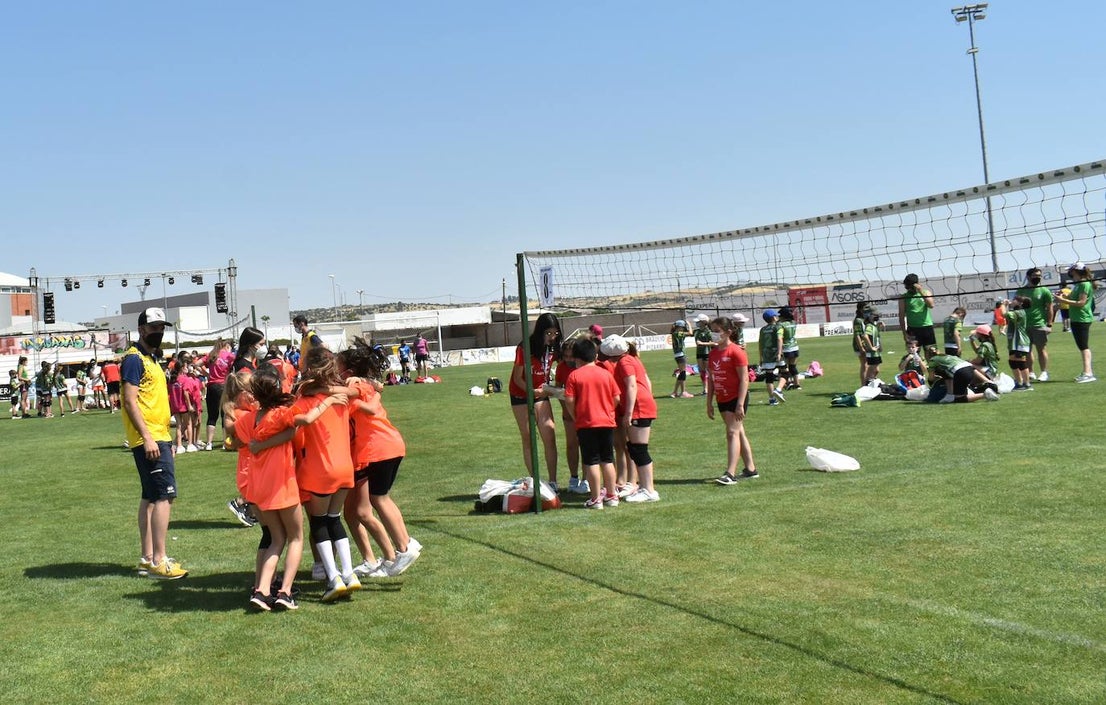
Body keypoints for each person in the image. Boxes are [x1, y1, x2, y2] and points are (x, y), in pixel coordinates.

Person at [337, 342, 422, 578]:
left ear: (349, 370)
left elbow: (354, 393)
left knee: (378, 498)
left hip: (379, 447)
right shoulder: (362, 384)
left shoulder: (356, 386)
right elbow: (375, 389)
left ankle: (403, 548)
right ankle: (405, 544)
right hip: (388, 445)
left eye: (338, 367)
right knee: (378, 499)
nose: (335, 371)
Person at [122, 308, 187, 580]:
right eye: (153, 327)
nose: (158, 332)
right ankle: (160, 560)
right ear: (141, 329)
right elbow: (129, 399)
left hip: (159, 436)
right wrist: (148, 437)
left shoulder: (150, 359)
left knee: (150, 497)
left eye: (162, 327)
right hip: (150, 439)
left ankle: (148, 558)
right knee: (164, 496)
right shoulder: (134, 359)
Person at [292, 347, 360, 602]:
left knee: (319, 523)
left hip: (320, 468)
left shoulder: (306, 398)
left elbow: (295, 430)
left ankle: (333, 578)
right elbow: (360, 393)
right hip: (345, 467)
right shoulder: (342, 398)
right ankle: (349, 573)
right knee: (335, 519)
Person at [563, 337, 621, 510]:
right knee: (608, 459)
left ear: (576, 358)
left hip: (587, 423)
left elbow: (569, 400)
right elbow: (616, 397)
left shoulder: (574, 375)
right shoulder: (605, 374)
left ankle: (596, 498)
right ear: (595, 355)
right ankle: (611, 495)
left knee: (591, 461)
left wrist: (576, 415)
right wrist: (607, 409)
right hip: (606, 422)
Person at [600, 335, 660, 503]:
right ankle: (644, 487)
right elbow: (647, 382)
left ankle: (649, 489)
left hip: (639, 408)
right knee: (634, 448)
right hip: (642, 405)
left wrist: (628, 413)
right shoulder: (632, 359)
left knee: (639, 449)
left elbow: (631, 385)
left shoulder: (625, 362)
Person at [508, 312, 561, 489]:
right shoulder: (525, 347)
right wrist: (532, 392)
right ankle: (535, 482)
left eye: (555, 333)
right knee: (529, 437)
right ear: (540, 332)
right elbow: (517, 378)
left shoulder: (555, 347)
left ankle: (553, 482)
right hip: (521, 393)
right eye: (548, 333)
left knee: (549, 433)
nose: (552, 337)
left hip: (541, 392)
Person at [707, 316, 758, 484]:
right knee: (738, 432)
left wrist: (740, 404)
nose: (713, 335)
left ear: (728, 332)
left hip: (736, 398)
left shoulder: (736, 351)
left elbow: (744, 379)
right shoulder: (713, 353)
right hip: (721, 397)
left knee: (732, 433)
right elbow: (712, 379)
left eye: (717, 331)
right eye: (712, 331)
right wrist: (709, 402)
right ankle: (750, 469)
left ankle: (730, 473)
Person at [1052, 262, 1097, 382]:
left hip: (1082, 318)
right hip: (1076, 318)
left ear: (1075, 271)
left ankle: (1088, 373)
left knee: (1084, 346)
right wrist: (1061, 296)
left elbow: (1081, 303)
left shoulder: (1084, 284)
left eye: (1071, 271)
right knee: (1081, 346)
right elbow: (1072, 298)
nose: (1070, 273)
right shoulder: (1078, 285)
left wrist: (1062, 300)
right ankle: (1086, 372)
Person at [552, 339, 586, 494]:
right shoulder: (561, 368)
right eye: (565, 356)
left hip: (586, 414)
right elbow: (558, 390)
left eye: (571, 356)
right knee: (572, 445)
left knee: (586, 446)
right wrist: (566, 410)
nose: (568, 359)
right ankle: (574, 478)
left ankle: (586, 480)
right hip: (569, 415)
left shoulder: (585, 366)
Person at [1015, 267, 1054, 382]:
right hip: (1024, 325)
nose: (1037, 278)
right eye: (1035, 276)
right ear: (1028, 277)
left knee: (1041, 349)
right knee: (1027, 350)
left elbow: (1050, 308)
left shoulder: (1044, 290)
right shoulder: (1021, 291)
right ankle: (1031, 372)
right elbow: (1016, 306)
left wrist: (1049, 324)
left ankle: (1044, 372)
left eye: (1039, 276)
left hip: (1039, 324)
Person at [925, 346, 1000, 403]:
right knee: (944, 371)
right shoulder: (947, 356)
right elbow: (970, 366)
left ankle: (985, 395)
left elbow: (931, 378)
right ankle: (949, 394)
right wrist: (987, 380)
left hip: (961, 372)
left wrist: (935, 379)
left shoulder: (933, 360)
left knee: (959, 398)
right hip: (969, 368)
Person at [203, 339, 234, 450]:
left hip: (211, 386)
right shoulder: (229, 356)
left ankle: (209, 444)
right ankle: (225, 442)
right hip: (222, 386)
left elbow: (197, 364)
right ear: (227, 346)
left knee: (211, 416)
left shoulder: (212, 354)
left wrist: (207, 374)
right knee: (224, 414)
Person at [1001, 296, 1033, 391]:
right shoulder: (1016, 312)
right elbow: (1007, 315)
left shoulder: (1019, 313)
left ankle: (1027, 384)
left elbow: (1004, 314)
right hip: (1014, 342)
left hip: (1020, 341)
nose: (1012, 301)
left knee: (1021, 362)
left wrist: (1003, 304)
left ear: (1020, 303)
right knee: (1013, 362)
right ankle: (1019, 383)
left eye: (1014, 300)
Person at [898, 274, 936, 349]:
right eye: (907, 287)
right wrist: (904, 333)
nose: (909, 289)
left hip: (927, 327)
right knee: (913, 354)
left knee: (931, 353)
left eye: (911, 286)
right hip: (913, 329)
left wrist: (921, 291)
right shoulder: (904, 297)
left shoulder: (926, 292)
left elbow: (931, 305)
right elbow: (901, 316)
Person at [759, 309, 786, 405]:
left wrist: (761, 357)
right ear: (773, 317)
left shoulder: (762, 329)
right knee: (785, 373)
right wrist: (779, 353)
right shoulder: (778, 327)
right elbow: (779, 339)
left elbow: (760, 344)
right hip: (776, 353)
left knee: (769, 377)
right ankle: (778, 389)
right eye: (776, 315)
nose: (777, 317)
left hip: (766, 354)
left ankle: (772, 399)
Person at [669, 320, 694, 398]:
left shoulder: (675, 333)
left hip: (678, 355)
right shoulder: (677, 333)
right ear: (680, 327)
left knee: (681, 373)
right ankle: (683, 392)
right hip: (680, 355)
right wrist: (689, 324)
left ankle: (675, 392)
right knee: (683, 373)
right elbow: (690, 333)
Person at [777, 306, 801, 391]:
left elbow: (780, 337)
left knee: (784, 368)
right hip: (794, 347)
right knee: (793, 367)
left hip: (786, 348)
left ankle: (787, 383)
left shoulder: (781, 325)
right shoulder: (793, 322)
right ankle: (797, 384)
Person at [692, 314, 714, 394]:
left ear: (703, 322)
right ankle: (705, 388)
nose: (697, 323)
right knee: (702, 371)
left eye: (699, 321)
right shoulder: (697, 331)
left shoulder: (708, 332)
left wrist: (702, 343)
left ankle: (712, 387)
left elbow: (713, 343)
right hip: (699, 353)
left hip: (707, 353)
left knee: (709, 371)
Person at [852, 303, 871, 386]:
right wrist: (861, 348)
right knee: (864, 365)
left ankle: (866, 383)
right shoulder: (858, 320)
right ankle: (863, 385)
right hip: (860, 345)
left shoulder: (864, 319)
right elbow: (857, 335)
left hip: (865, 344)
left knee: (867, 365)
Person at [863, 310, 883, 383]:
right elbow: (865, 336)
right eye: (875, 315)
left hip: (876, 351)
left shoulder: (874, 325)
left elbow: (876, 337)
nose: (877, 317)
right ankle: (867, 383)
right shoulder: (869, 326)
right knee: (872, 368)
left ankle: (871, 382)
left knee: (876, 370)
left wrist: (878, 326)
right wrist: (871, 347)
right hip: (872, 352)